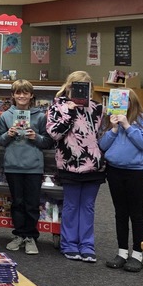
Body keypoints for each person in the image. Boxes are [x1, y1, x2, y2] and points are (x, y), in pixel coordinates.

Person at [47, 70, 105, 263]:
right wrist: (69, 113)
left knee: (88, 207)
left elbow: (101, 135)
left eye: (85, 87)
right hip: (69, 163)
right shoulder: (58, 107)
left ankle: (87, 245)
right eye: (76, 87)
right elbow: (54, 134)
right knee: (71, 206)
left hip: (93, 164)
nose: (80, 91)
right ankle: (69, 244)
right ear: (69, 87)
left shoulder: (97, 108)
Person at [0, 79, 53, 255]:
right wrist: (8, 134)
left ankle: (30, 237)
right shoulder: (6, 116)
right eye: (18, 93)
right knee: (17, 203)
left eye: (25, 93)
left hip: (33, 167)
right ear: (13, 95)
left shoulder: (40, 116)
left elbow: (48, 142)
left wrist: (35, 137)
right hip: (13, 166)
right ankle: (19, 235)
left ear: (31, 95)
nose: (22, 96)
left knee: (31, 204)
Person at [98, 88, 143, 272]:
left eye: (124, 101)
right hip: (115, 171)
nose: (120, 104)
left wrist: (127, 125)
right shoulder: (111, 119)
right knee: (120, 212)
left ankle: (137, 253)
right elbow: (103, 145)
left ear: (131, 102)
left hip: (136, 172)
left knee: (136, 213)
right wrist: (114, 128)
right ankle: (122, 251)